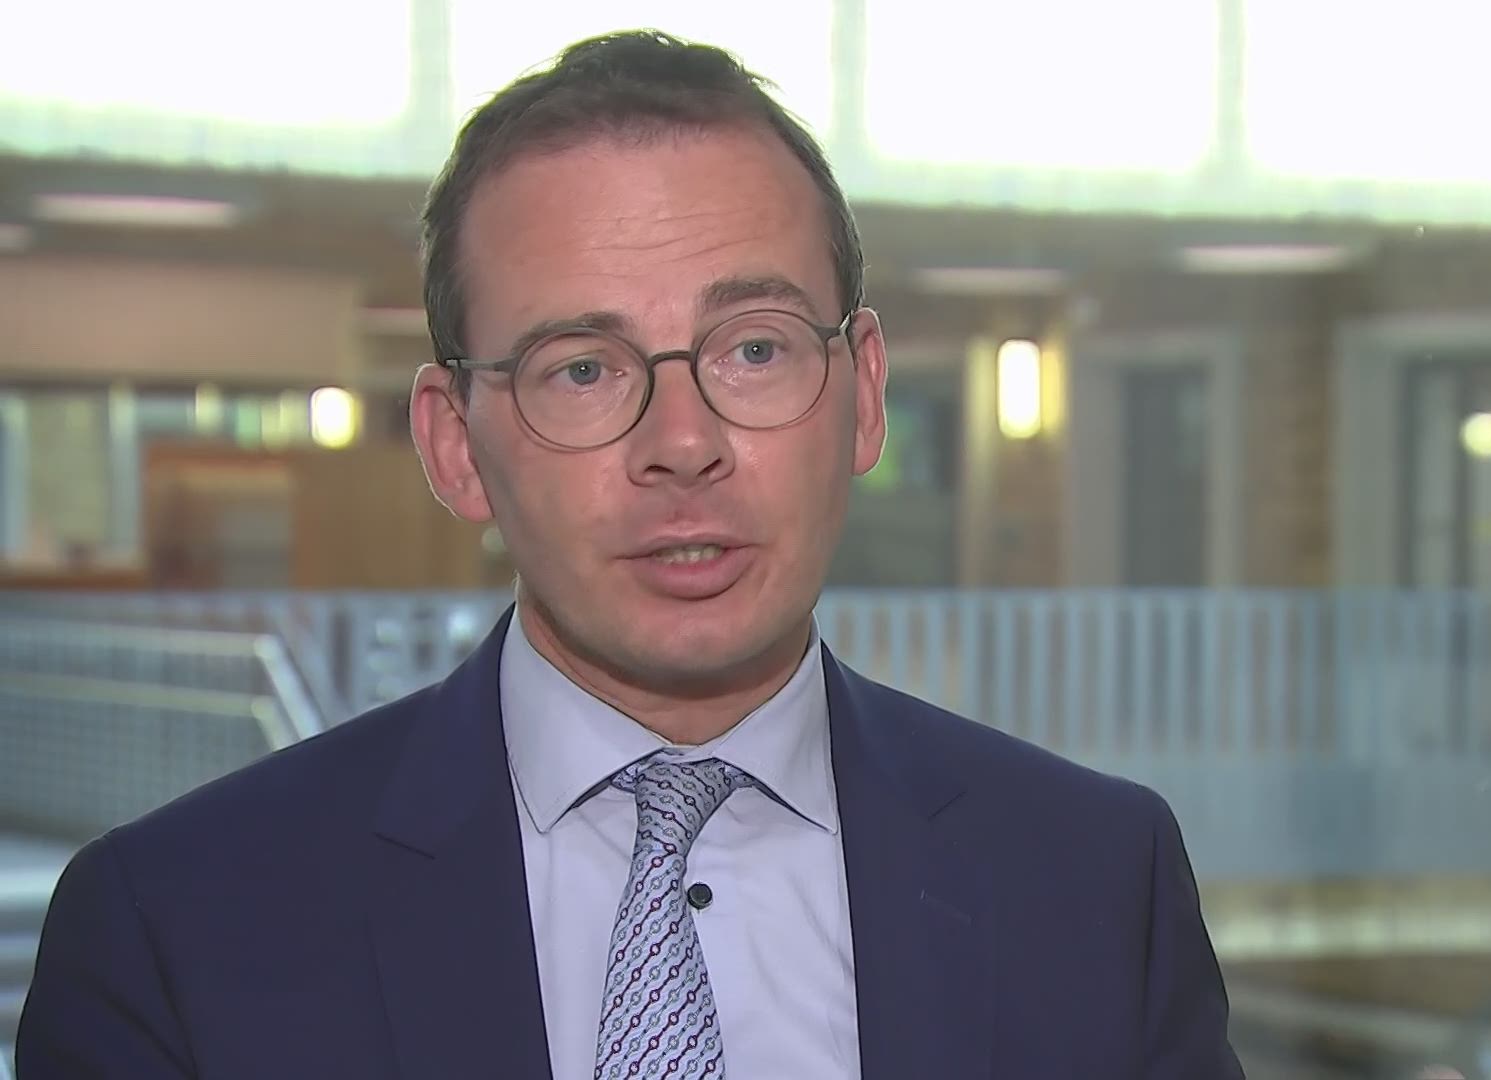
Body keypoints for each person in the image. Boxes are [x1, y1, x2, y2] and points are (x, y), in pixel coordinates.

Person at [16, 30, 1243, 1080]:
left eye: (754, 349)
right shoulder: (175, 929)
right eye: (584, 370)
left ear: (863, 395)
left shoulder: (1097, 884)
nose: (684, 444)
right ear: (454, 447)